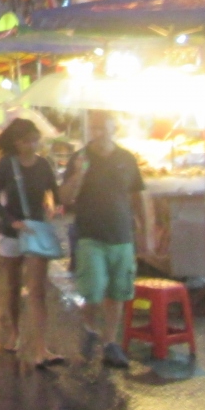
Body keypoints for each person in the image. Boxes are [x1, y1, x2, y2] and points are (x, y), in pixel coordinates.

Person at [59, 110, 145, 369]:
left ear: (113, 129)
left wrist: (145, 230)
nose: (101, 134)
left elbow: (138, 195)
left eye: (106, 128)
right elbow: (64, 198)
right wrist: (78, 174)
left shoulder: (126, 159)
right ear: (91, 130)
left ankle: (110, 342)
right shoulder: (80, 158)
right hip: (90, 235)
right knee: (93, 291)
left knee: (117, 292)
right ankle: (89, 328)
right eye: (96, 128)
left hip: (121, 235)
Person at [0, 119, 63, 367]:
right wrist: (11, 221)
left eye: (34, 140)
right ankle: (15, 331)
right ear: (16, 142)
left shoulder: (43, 165)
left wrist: (54, 206)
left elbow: (54, 192)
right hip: (12, 232)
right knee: (13, 287)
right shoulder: (6, 164)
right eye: (26, 141)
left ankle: (41, 347)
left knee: (37, 290)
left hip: (35, 232)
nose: (31, 145)